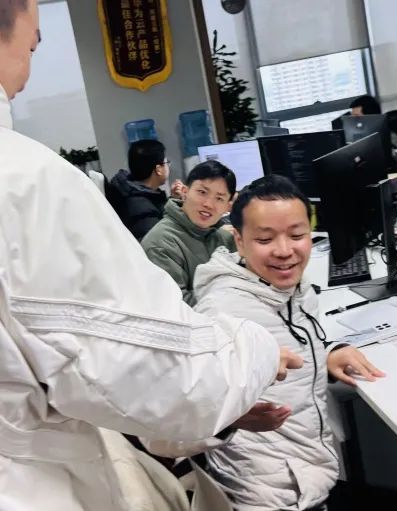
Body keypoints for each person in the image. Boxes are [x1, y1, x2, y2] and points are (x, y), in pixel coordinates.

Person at [0, 2, 303, 510]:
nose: (30, 67)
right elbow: (152, 371)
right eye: (32, 43)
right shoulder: (25, 179)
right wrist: (257, 352)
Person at [192, 176, 390, 510]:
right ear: (239, 241)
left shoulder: (286, 287)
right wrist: (232, 417)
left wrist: (327, 352)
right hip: (272, 494)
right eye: (265, 239)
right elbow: (176, 422)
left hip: (309, 472)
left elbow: (288, 343)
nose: (285, 251)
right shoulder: (222, 314)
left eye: (297, 235)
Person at [142, 160, 237, 306]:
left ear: (228, 207)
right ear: (185, 192)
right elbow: (177, 305)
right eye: (202, 192)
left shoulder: (227, 240)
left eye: (219, 198)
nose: (208, 204)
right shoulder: (160, 243)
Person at [107, 139, 170, 241]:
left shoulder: (136, 193)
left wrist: (174, 200)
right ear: (158, 169)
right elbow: (156, 244)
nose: (168, 166)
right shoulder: (141, 208)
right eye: (167, 162)